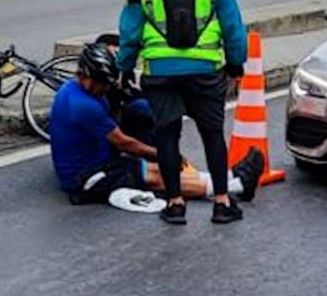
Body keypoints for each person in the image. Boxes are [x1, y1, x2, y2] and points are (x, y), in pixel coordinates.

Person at [118, 0, 250, 226]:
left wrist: (123, 67)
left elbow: (130, 30)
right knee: (211, 134)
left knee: (166, 134)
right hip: (205, 68)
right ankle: (222, 202)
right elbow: (232, 21)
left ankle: (175, 204)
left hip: (160, 69)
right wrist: (236, 62)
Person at [51, 44, 264, 208]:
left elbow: (116, 122)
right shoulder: (81, 104)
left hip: (100, 161)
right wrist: (164, 154)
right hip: (82, 177)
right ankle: (237, 185)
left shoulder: (80, 90)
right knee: (153, 175)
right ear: (86, 76)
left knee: (155, 169)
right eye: (103, 83)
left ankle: (227, 176)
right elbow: (125, 143)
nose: (105, 88)